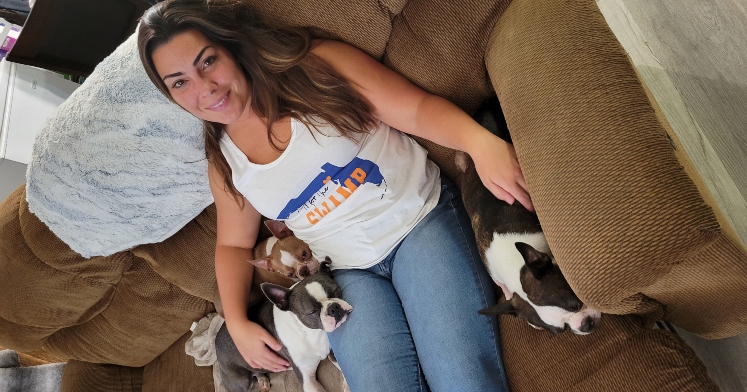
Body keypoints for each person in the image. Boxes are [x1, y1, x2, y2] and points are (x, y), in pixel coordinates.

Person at [138, 0, 533, 390]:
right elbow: (231, 244)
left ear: (230, 46)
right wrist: (237, 323)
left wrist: (480, 144)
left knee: (460, 379)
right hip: (343, 273)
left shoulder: (312, 66)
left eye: (208, 61)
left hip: (417, 221)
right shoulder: (224, 163)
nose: (205, 88)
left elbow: (414, 109)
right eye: (179, 82)